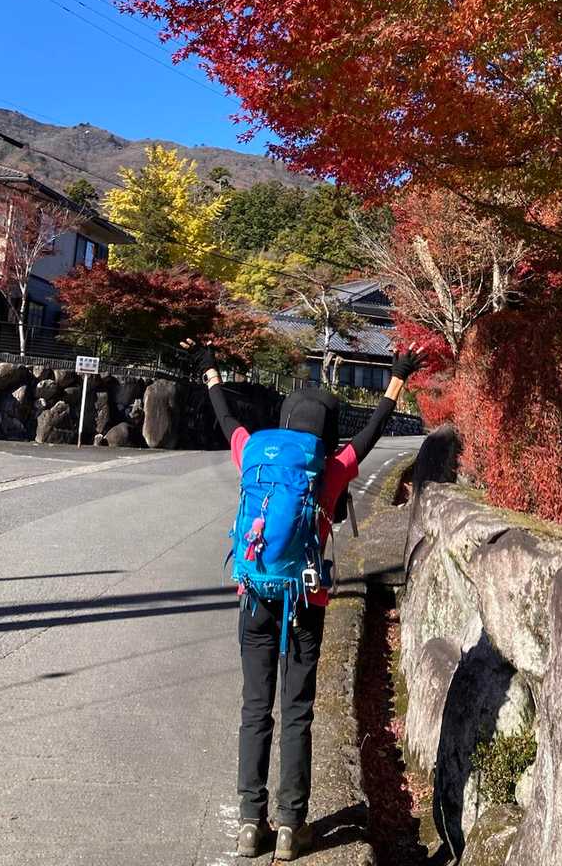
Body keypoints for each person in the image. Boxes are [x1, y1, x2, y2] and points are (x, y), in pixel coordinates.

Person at [185, 340, 425, 862]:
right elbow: (372, 431)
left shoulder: (253, 451)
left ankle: (250, 823)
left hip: (254, 595)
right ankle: (292, 826)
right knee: (296, 712)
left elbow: (226, 417)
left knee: (255, 708)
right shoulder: (330, 467)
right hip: (305, 601)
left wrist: (210, 370)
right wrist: (397, 377)